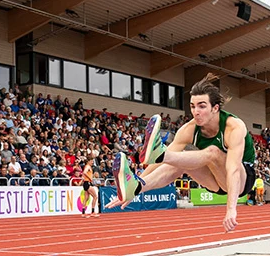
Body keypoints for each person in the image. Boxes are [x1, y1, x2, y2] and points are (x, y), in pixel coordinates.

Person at [108, 73, 257, 232]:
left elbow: (233, 169)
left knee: (213, 152)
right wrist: (135, 187)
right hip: (214, 181)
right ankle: (138, 186)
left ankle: (162, 153)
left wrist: (231, 209)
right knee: (180, 161)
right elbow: (158, 161)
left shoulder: (233, 127)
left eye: (202, 106)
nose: (196, 112)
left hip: (241, 179)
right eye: (193, 106)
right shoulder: (188, 129)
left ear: (215, 108)